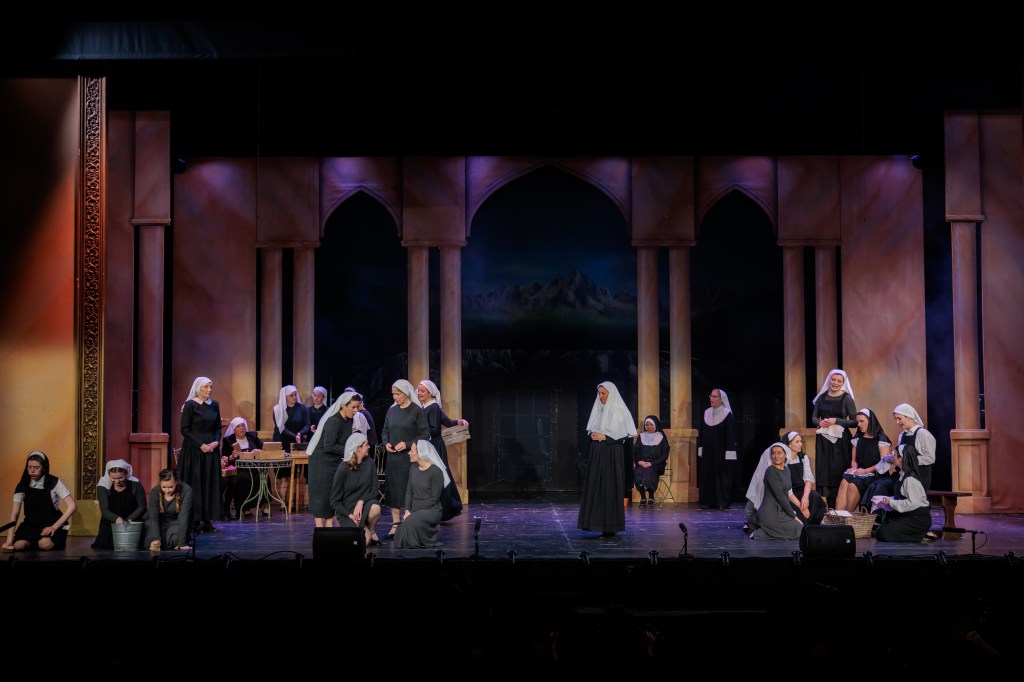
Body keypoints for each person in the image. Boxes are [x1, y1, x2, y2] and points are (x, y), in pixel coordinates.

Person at [577, 381, 637, 538]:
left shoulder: (618, 410)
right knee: (596, 486)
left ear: (611, 394)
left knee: (609, 486)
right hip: (597, 452)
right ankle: (594, 522)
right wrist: (592, 435)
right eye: (599, 393)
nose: (600, 396)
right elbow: (593, 428)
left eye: (603, 393)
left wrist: (605, 437)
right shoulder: (599, 410)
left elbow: (622, 434)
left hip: (611, 453)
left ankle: (610, 526)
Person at [381, 379, 430, 539]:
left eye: (398, 394)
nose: (395, 397)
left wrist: (407, 444)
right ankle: (395, 525)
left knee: (409, 490)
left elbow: (425, 434)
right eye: (393, 394)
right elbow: (385, 431)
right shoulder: (391, 411)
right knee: (394, 491)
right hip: (393, 458)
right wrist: (386, 443)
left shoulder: (416, 411)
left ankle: (410, 524)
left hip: (409, 459)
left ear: (406, 393)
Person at [307, 390, 363, 527]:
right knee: (322, 497)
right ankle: (320, 531)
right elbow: (329, 446)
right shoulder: (334, 421)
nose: (356, 410)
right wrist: (350, 450)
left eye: (357, 407)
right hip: (321, 463)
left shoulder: (348, 420)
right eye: (353, 407)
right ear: (343, 405)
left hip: (333, 462)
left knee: (331, 496)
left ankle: (329, 528)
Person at [2, 451, 77, 552]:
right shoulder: (23, 485)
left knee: (44, 544)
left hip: (52, 523)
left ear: (44, 468)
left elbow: (72, 506)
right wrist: (9, 541)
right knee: (19, 545)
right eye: (29, 467)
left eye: (36, 467)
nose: (32, 471)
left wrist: (54, 527)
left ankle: (41, 543)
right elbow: (15, 514)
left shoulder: (54, 482)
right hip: (31, 525)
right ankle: (34, 544)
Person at [416, 378, 468, 521]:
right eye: (418, 390)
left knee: (439, 475)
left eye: (422, 391)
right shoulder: (427, 407)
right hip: (429, 444)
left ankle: (447, 507)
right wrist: (458, 421)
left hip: (434, 446)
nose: (419, 393)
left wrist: (417, 433)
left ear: (430, 393)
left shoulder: (433, 407)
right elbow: (447, 422)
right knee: (437, 475)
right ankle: (442, 507)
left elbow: (433, 430)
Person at [179, 376, 222, 533]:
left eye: (210, 387)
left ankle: (207, 520)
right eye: (206, 387)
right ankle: (195, 521)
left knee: (210, 483)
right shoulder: (190, 405)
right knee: (196, 483)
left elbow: (218, 427)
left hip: (211, 449)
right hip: (194, 450)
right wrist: (200, 445)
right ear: (198, 388)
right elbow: (184, 429)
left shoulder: (214, 405)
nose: (209, 390)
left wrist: (216, 442)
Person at [811, 369, 857, 505]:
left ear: (843, 383)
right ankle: (830, 508)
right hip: (823, 439)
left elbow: (854, 422)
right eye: (833, 379)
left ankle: (840, 507)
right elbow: (814, 417)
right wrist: (819, 422)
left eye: (839, 381)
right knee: (825, 471)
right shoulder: (822, 397)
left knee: (838, 469)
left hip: (840, 440)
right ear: (829, 380)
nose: (835, 383)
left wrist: (836, 421)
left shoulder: (847, 398)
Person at [330, 432, 382, 547]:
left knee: (376, 508)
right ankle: (364, 529)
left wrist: (361, 501)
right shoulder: (343, 468)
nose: (369, 446)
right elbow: (334, 501)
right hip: (348, 510)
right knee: (364, 541)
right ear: (358, 448)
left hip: (365, 503)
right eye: (366, 444)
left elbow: (375, 490)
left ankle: (371, 529)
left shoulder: (370, 463)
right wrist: (350, 515)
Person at [835, 408, 892, 512]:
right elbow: (854, 460)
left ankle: (847, 516)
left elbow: (883, 462)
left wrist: (865, 471)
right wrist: (853, 469)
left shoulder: (881, 438)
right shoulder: (858, 438)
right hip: (860, 473)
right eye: (858, 422)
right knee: (844, 482)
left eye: (862, 421)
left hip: (876, 475)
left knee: (853, 486)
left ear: (870, 421)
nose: (859, 424)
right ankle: (838, 516)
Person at [874, 441, 931, 542]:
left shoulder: (910, 480)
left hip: (917, 519)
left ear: (901, 458)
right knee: (880, 520)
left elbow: (913, 503)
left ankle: (918, 535)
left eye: (895, 455)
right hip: (907, 514)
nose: (892, 456)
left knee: (884, 533)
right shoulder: (902, 474)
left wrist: (891, 502)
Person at [394, 440, 446, 549]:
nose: (409, 453)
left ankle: (422, 540)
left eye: (412, 451)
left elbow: (434, 499)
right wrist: (407, 510)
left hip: (432, 510)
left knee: (409, 522)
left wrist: (412, 510)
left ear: (421, 453)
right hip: (415, 509)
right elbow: (409, 491)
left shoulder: (436, 472)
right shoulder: (413, 468)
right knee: (401, 528)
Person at [749, 442, 804, 540]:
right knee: (799, 530)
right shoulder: (771, 471)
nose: (776, 456)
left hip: (780, 511)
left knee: (800, 529)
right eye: (773, 453)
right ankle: (760, 533)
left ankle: (765, 532)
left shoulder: (787, 470)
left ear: (785, 455)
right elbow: (780, 497)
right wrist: (793, 516)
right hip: (770, 513)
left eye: (779, 453)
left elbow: (787, 493)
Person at [91, 459, 147, 550]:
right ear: (108, 475)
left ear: (126, 474)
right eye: (113, 478)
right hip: (111, 520)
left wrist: (128, 520)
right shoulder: (103, 486)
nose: (117, 481)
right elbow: (105, 510)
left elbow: (142, 506)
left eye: (120, 478)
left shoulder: (135, 485)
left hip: (133, 518)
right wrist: (116, 518)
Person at [697, 388, 738, 510]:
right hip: (708, 452)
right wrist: (701, 449)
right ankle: (708, 501)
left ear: (721, 399)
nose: (712, 398)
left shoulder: (727, 414)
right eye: (711, 396)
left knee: (721, 477)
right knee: (707, 476)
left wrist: (729, 453)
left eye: (715, 396)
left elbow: (730, 435)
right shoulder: (706, 412)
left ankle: (722, 502)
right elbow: (702, 433)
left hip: (721, 452)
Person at [272, 384, 310, 505]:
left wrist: (300, 433)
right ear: (285, 397)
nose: (294, 397)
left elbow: (307, 424)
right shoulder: (277, 409)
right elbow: (281, 428)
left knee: (294, 473)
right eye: (291, 395)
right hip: (282, 442)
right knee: (283, 473)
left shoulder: (302, 408)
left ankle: (292, 500)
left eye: (295, 395)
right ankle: (283, 501)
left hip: (296, 443)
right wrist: (295, 436)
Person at [221, 416, 265, 519]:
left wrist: (258, 451)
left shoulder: (252, 437)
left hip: (253, 467)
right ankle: (243, 507)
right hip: (238, 469)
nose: (241, 428)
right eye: (238, 426)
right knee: (243, 478)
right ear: (234, 429)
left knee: (262, 476)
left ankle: (263, 505)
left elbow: (263, 449)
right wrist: (232, 456)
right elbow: (225, 459)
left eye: (243, 426)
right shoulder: (228, 440)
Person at [781, 431, 826, 525]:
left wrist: (805, 497)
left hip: (801, 491)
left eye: (800, 441)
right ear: (789, 444)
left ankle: (815, 525)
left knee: (815, 496)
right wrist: (802, 507)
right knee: (799, 516)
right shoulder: (783, 461)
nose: (801, 444)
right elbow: (786, 489)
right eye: (797, 442)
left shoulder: (803, 458)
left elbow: (808, 480)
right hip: (789, 495)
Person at [145, 468, 193, 551]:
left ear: (177, 482)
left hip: (176, 522)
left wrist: (181, 543)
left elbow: (183, 517)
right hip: (160, 522)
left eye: (171, 487)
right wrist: (156, 538)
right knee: (150, 541)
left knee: (176, 540)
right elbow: (154, 518)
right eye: (164, 487)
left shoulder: (186, 490)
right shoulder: (155, 491)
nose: (167, 491)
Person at [892, 403, 935, 491]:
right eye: (896, 419)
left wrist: (907, 460)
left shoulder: (923, 434)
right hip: (903, 474)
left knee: (885, 488)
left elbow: (930, 458)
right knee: (878, 486)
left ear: (909, 417)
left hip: (919, 477)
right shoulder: (902, 435)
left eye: (899, 418)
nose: (897, 422)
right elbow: (900, 456)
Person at [632, 415, 669, 507]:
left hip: (656, 464)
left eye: (651, 425)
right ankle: (643, 496)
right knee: (637, 473)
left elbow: (664, 455)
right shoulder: (642, 436)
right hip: (642, 463)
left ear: (655, 425)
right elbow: (635, 452)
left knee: (649, 473)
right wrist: (639, 462)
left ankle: (651, 496)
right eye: (647, 425)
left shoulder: (661, 437)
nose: (649, 427)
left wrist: (652, 463)